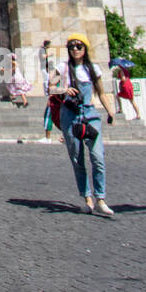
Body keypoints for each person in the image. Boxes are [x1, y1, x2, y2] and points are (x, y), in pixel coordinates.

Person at [51, 34, 115, 215]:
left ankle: (100, 198)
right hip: (70, 115)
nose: (75, 49)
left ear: (85, 48)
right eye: (72, 46)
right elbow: (50, 87)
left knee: (98, 158)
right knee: (78, 159)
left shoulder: (93, 68)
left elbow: (101, 92)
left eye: (79, 46)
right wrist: (64, 89)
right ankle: (87, 199)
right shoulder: (62, 67)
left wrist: (110, 110)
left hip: (90, 114)